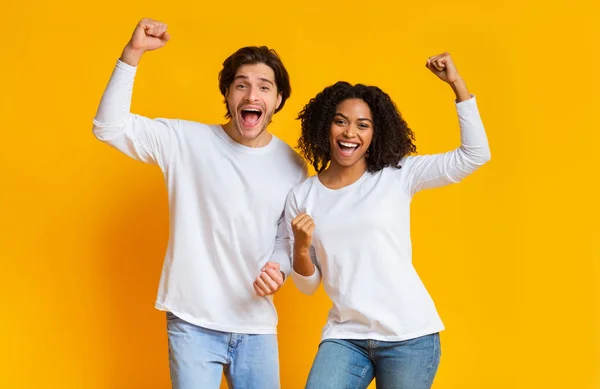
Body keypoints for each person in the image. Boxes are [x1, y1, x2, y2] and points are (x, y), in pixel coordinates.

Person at [92, 18, 306, 389]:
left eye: (264, 87)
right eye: (241, 85)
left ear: (278, 100)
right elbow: (108, 127)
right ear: (227, 94)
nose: (252, 96)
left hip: (255, 325)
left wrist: (279, 268)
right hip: (192, 321)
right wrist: (133, 55)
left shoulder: (292, 165)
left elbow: (285, 238)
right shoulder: (184, 141)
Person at [287, 53, 491, 389]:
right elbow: (308, 285)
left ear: (374, 133)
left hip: (409, 336)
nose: (349, 132)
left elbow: (475, 155)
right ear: (325, 126)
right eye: (340, 121)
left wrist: (457, 85)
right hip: (346, 335)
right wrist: (302, 245)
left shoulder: (397, 176)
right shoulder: (303, 196)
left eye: (362, 125)